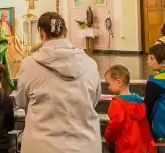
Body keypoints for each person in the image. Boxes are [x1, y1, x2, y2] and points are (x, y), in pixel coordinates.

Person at [14, 12, 102, 153]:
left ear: (41, 33)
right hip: (85, 144)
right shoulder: (90, 64)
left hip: (41, 145)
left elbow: (22, 102)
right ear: (65, 32)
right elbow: (94, 99)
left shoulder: (29, 64)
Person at [104, 65, 155, 153]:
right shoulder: (139, 101)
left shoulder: (117, 103)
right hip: (141, 146)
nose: (108, 87)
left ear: (119, 82)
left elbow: (115, 125)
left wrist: (108, 137)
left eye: (109, 84)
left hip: (125, 146)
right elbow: (145, 125)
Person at [145, 43, 165, 153]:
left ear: (163, 64)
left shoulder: (155, 83)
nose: (148, 60)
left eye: (151, 58)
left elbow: (148, 109)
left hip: (164, 134)